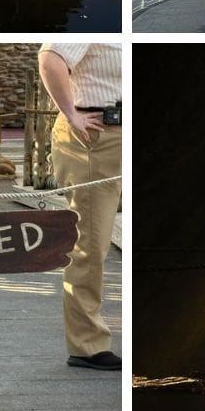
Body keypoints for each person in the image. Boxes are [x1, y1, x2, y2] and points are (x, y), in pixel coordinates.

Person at [38, 44, 123, 371]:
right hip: (95, 139)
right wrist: (71, 113)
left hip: (121, 132)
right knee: (90, 243)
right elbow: (50, 60)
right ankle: (87, 345)